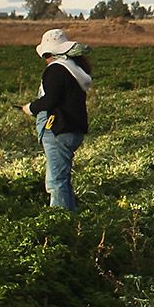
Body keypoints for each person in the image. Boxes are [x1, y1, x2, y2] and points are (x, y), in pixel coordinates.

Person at [21, 28, 91, 210]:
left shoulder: (56, 70)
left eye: (46, 55)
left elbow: (50, 99)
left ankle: (59, 223)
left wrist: (30, 108)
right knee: (63, 179)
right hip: (74, 129)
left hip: (59, 129)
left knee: (56, 181)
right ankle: (71, 217)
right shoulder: (75, 69)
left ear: (51, 53)